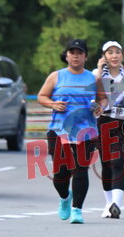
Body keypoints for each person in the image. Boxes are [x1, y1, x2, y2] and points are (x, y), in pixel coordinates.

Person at [37, 39, 98, 224]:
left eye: (80, 53)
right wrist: (53, 104)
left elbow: (103, 99)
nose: (75, 56)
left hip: (86, 130)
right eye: (72, 53)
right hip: (59, 130)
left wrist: (99, 107)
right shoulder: (56, 76)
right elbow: (42, 96)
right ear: (66, 56)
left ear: (85, 57)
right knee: (60, 173)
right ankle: (65, 197)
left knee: (81, 170)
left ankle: (77, 210)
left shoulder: (93, 78)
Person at [94, 40, 124, 218]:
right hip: (104, 122)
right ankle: (109, 203)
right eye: (110, 52)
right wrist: (100, 72)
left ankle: (116, 205)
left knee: (117, 163)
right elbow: (93, 97)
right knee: (106, 165)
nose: (114, 56)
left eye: (117, 52)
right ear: (104, 56)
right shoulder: (96, 75)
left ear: (122, 55)